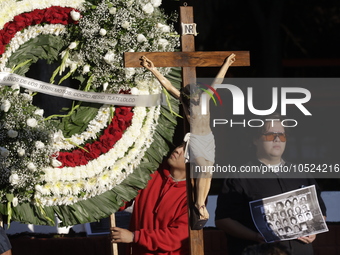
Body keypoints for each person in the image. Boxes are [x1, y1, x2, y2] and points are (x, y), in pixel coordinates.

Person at [140, 54, 236, 226]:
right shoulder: (185, 104)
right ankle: (200, 205)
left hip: (208, 139)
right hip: (196, 140)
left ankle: (201, 203)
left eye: (195, 98)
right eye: (191, 99)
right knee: (204, 170)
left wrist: (227, 64)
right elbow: (168, 86)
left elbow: (217, 82)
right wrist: (153, 69)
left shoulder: (205, 100)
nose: (194, 101)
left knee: (208, 173)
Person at [215, 114, 327, 255]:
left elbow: (320, 211)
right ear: (255, 139)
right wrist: (255, 236)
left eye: (282, 135)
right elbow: (223, 220)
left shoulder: (301, 174)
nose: (277, 139)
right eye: (269, 135)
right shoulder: (239, 177)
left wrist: (314, 230)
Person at [111, 144, 189, 255]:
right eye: (180, 146)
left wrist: (135, 237)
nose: (177, 150)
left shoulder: (194, 196)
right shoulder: (150, 172)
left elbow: (177, 237)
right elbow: (122, 198)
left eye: (185, 150)